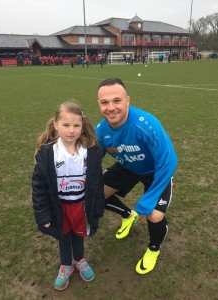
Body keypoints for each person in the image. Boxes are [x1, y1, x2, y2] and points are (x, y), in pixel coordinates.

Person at [95, 78, 178, 275]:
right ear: (99, 104)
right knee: (96, 195)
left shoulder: (146, 125)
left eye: (117, 100)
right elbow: (93, 159)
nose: (111, 108)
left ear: (127, 101)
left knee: (154, 214)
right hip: (127, 167)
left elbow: (168, 161)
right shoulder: (101, 130)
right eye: (104, 102)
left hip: (156, 170)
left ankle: (153, 249)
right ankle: (128, 215)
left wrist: (149, 199)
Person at [32, 102, 104, 290]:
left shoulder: (92, 152)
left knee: (78, 235)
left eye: (76, 125)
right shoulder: (47, 154)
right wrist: (43, 216)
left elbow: (97, 183)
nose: (71, 130)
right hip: (59, 208)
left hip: (81, 206)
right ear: (55, 125)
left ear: (82, 125)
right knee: (64, 237)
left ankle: (80, 260)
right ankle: (65, 265)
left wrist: (97, 207)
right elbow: (39, 188)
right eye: (66, 125)